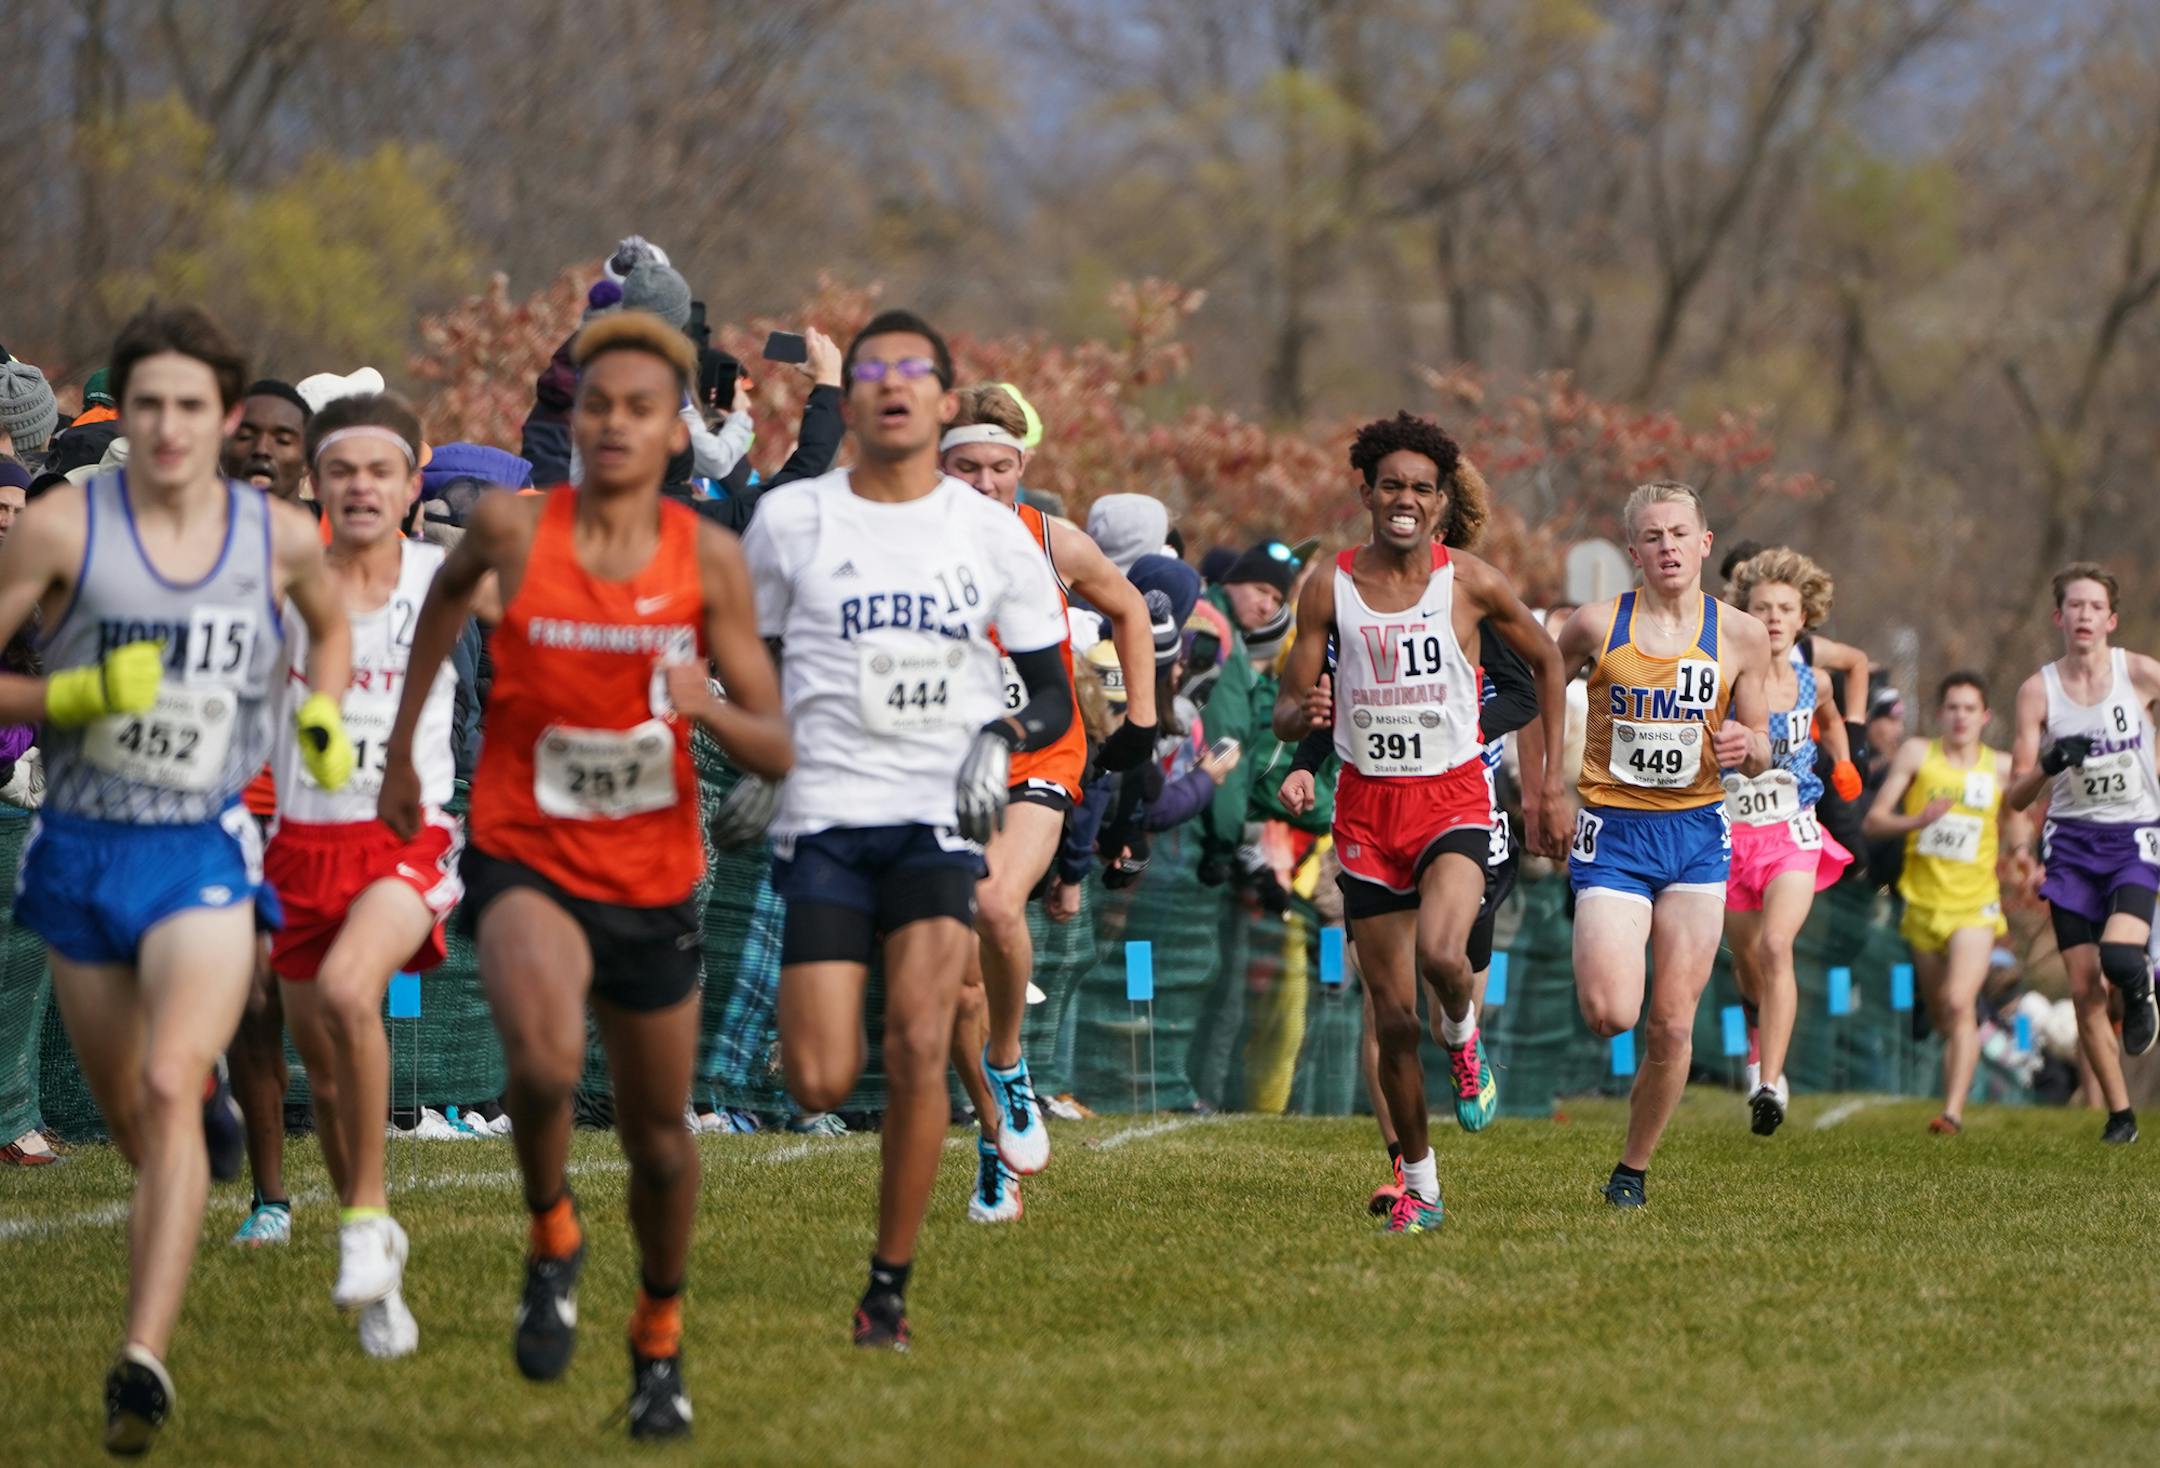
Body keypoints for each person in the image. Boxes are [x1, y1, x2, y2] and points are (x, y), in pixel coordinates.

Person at [379, 311, 792, 1439]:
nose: (614, 423)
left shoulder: (705, 555)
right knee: (545, 1060)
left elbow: (775, 737)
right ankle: (552, 1229)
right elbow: (438, 611)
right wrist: (407, 746)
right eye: (597, 403)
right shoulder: (511, 528)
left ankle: (658, 1331)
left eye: (640, 408)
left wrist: (710, 707)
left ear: (676, 431)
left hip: (652, 873)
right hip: (526, 843)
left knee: (660, 1140)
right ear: (576, 415)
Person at [0, 304, 354, 1454]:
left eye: (190, 406)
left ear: (227, 416)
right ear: (126, 409)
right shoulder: (61, 527)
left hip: (202, 848)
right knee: (144, 1124)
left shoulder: (276, 538)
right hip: (82, 852)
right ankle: (192, 1125)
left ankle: (141, 1358)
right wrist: (70, 698)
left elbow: (330, 624)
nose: (166, 425)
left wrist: (317, 711)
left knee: (163, 1081)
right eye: (146, 402)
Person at [739, 309, 1073, 1346]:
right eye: (871, 371)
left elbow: (1057, 700)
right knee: (819, 1075)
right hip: (828, 819)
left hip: (936, 819)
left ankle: (888, 1286)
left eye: (912, 372)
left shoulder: (994, 535)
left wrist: (997, 738)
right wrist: (746, 735)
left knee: (922, 1038)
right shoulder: (791, 520)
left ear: (940, 398)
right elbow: (749, 661)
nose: (891, 387)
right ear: (860, 399)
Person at [1274, 412, 1569, 1232]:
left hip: (1450, 799)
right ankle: (1423, 1187)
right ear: (1367, 493)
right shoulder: (1326, 587)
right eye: (1393, 486)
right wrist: (1307, 714)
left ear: (1442, 503)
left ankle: (1465, 1034)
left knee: (1445, 955)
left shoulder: (1469, 580)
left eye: (1423, 489)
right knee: (1392, 1020)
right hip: (1368, 810)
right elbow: (1286, 713)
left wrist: (1544, 791)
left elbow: (1545, 662)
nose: (1407, 500)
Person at [264, 390, 490, 1357]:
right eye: (342, 470)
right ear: (316, 481)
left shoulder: (447, 577)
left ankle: (360, 1222)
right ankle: (381, 1260)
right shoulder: (279, 581)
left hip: (407, 837)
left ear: (412, 482)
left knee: (359, 992)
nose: (361, 487)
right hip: (297, 846)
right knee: (320, 1064)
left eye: (381, 471)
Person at [934, 384, 1158, 1223]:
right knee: (955, 984)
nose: (986, 482)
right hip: (943, 762)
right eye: (967, 467)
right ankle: (996, 1144)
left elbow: (1130, 607)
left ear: (1021, 470)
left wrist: (1141, 719)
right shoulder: (907, 542)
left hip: (1040, 751)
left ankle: (1010, 1061)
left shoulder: (1050, 539)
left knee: (997, 902)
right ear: (939, 467)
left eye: (1001, 467)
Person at [1553, 481, 1772, 1208]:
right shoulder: (1594, 625)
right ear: (1633, 552)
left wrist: (1750, 743)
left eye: (1680, 533)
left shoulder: (1740, 634)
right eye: (1653, 536)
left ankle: (1632, 1171)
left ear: (1704, 543)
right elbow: (1539, 692)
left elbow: (1764, 743)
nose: (1668, 547)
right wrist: (1544, 787)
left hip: (1697, 835)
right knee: (1611, 1013)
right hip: (1614, 832)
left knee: (1673, 1022)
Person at [2004, 563, 2160, 1144]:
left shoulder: (2139, 673)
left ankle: (2141, 987)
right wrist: (2047, 762)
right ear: (2059, 617)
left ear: (2111, 619)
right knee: (2083, 990)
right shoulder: (2036, 692)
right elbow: (2015, 796)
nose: (2085, 616)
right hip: (2070, 845)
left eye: (2096, 607)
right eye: (2075, 606)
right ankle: (2120, 1117)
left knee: (2119, 959)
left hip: (2134, 836)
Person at [217, 376, 318, 1247]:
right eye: (249, 433)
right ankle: (271, 1198)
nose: (263, 450)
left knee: (324, 1006)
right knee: (249, 1003)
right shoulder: (182, 550)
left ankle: (363, 1191)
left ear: (306, 459)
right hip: (218, 808)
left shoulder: (335, 553)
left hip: (321, 811)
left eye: (284, 438)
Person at [1720, 548, 1863, 1134]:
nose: (1774, 619)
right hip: (1730, 837)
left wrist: (1846, 761)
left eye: (1785, 609)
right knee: (1749, 965)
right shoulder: (1725, 677)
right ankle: (1757, 1027)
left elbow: (1828, 716)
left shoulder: (1814, 680)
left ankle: (1771, 1083)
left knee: (1778, 947)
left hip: (1793, 833)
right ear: (1745, 615)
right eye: (1762, 609)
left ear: (1804, 619)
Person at [1863, 673, 2029, 1135]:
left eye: (1970, 709)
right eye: (1952, 707)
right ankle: (1955, 1075)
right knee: (1942, 1011)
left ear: (1985, 716)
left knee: (1959, 1002)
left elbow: (2017, 816)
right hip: (1921, 902)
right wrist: (1918, 819)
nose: (1961, 717)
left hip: (1975, 905)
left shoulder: (2000, 767)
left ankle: (1952, 1112)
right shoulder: (1919, 755)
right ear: (1940, 714)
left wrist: (2020, 853)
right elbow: (1875, 821)